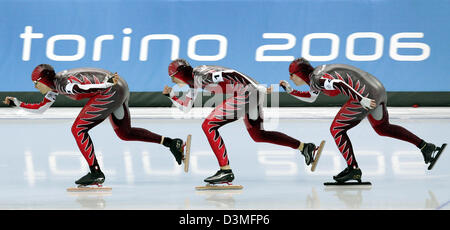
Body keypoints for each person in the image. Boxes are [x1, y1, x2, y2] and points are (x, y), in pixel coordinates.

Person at [3, 64, 187, 186]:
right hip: (117, 87)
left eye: (36, 83)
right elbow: (41, 109)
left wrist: (104, 84)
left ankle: (95, 173)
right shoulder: (55, 86)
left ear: (43, 80)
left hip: (110, 89)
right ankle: (172, 143)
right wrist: (18, 103)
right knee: (125, 133)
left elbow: (80, 88)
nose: (36, 87)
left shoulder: (64, 84)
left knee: (78, 128)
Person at [280, 57, 446, 183]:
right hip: (377, 88)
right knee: (383, 128)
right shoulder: (315, 78)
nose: (291, 78)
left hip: (366, 94)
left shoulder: (318, 79)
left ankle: (353, 169)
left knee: (336, 129)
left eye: (291, 75)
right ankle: (426, 147)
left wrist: (361, 99)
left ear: (300, 74)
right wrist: (290, 91)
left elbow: (339, 83)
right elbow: (310, 97)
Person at [163, 58, 322, 185]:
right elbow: (186, 107)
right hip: (250, 94)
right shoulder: (194, 81)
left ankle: (225, 171)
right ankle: (305, 147)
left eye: (173, 78)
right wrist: (172, 96)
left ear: (180, 73)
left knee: (208, 125)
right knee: (258, 135)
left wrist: (255, 87)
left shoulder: (202, 75)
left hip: (247, 94)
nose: (174, 82)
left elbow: (230, 73)